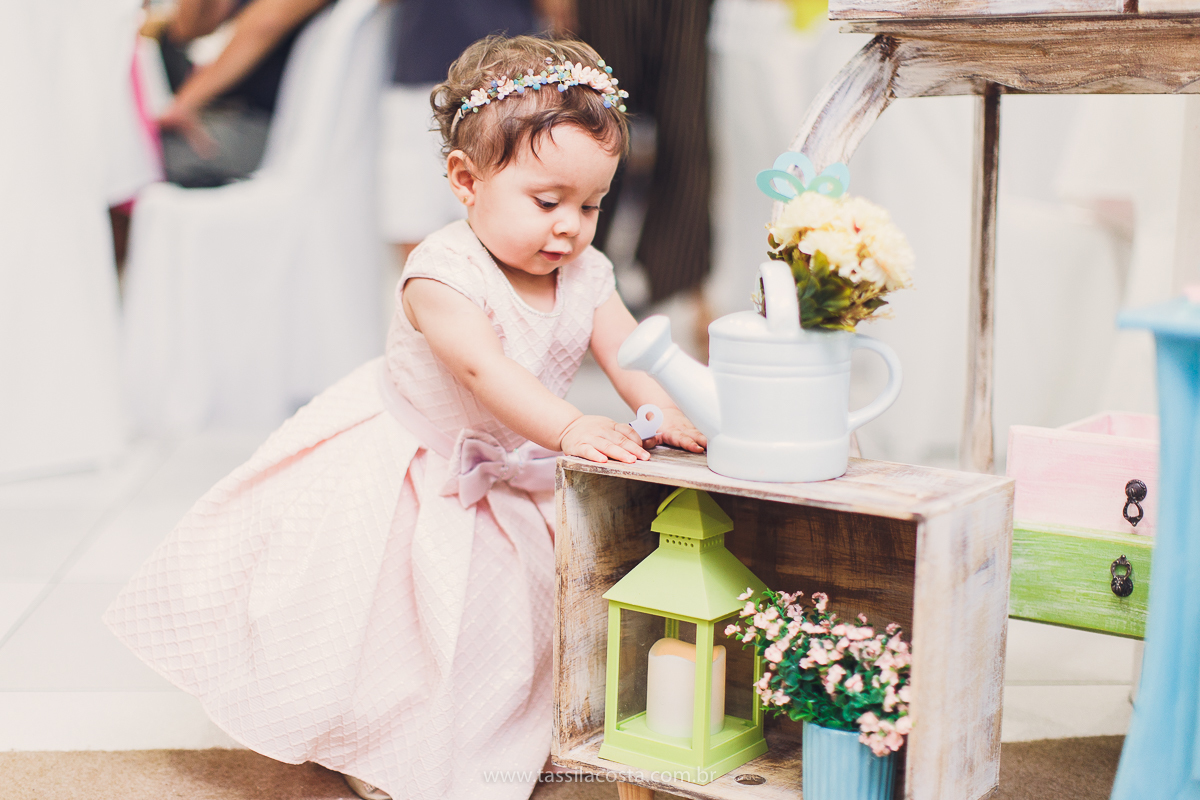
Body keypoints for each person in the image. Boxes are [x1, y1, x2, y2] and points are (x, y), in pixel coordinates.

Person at [105, 34, 704, 800]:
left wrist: (661, 408)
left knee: (505, 621)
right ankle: (376, 742)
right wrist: (568, 428)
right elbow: (484, 370)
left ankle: (479, 736)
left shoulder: (585, 272)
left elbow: (626, 349)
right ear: (466, 180)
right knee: (390, 621)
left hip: (508, 465)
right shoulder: (442, 275)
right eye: (547, 202)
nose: (570, 227)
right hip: (415, 466)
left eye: (591, 205)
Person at [150, 0, 331, 187]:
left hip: (270, 129)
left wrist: (184, 103)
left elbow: (266, 23)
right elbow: (186, 30)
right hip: (234, 117)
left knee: (146, 155)